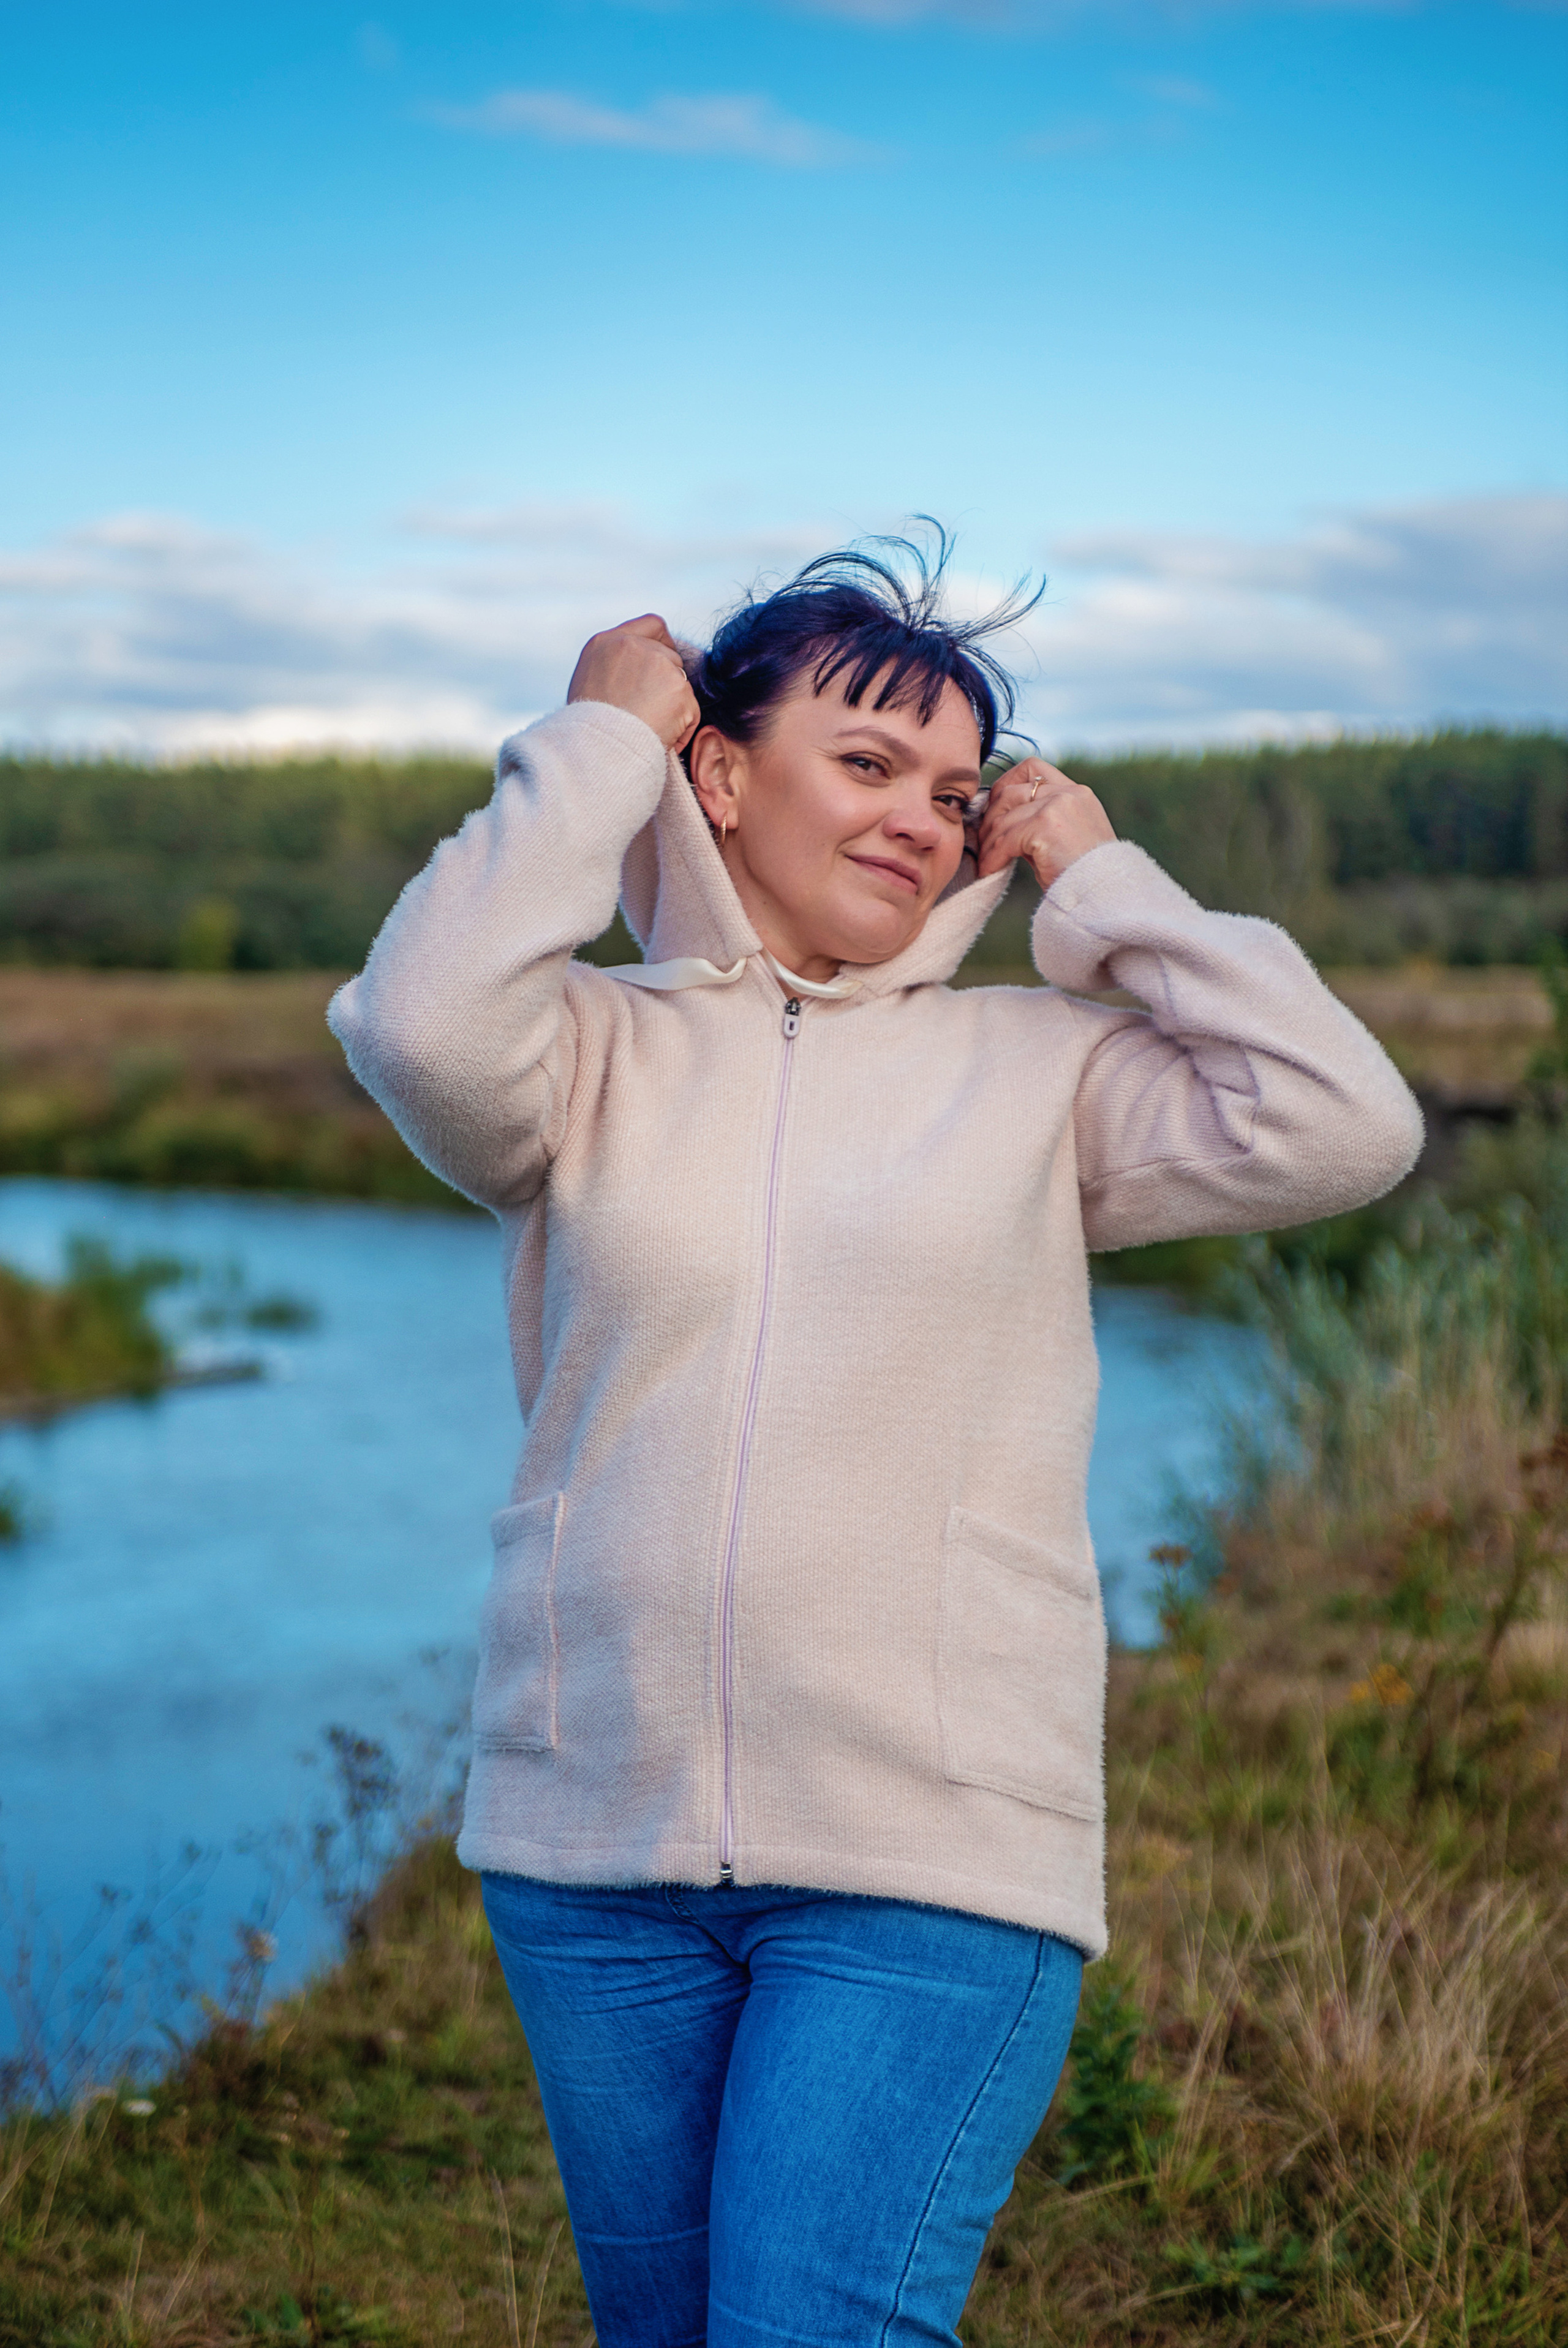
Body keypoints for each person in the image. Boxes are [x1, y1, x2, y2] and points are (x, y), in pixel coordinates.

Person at [329, 539, 1422, 2346]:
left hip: (928, 1856)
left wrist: (1094, 871)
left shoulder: (1043, 1069)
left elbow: (1342, 1119)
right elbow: (419, 1021)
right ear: (721, 774)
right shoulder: (583, 1055)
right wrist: (595, 740)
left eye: (955, 785)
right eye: (867, 760)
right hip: (592, 1850)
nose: (923, 814)